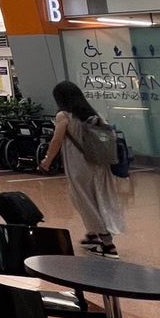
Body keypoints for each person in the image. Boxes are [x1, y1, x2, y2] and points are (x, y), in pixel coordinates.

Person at [40, 82, 125, 254]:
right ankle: (92, 234)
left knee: (85, 201)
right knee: (99, 198)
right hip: (99, 163)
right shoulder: (93, 114)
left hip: (79, 164)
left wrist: (47, 160)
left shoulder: (63, 115)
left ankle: (107, 243)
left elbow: (57, 140)